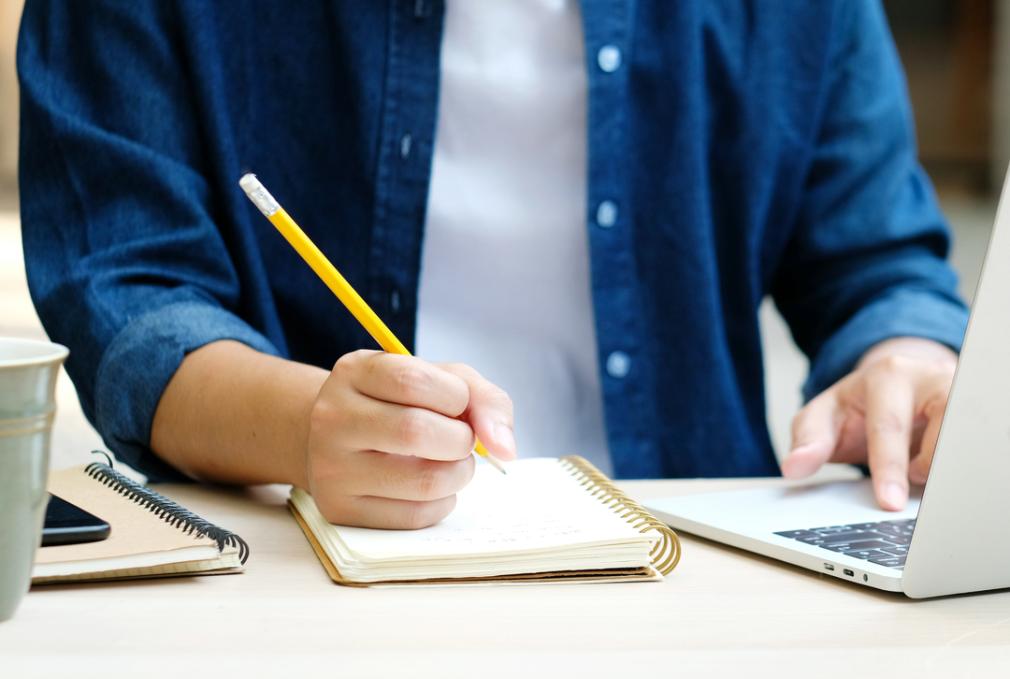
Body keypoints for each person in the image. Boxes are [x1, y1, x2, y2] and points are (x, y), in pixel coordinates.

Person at [18, 1, 967, 529]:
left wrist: (908, 360)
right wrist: (307, 428)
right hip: (311, 563)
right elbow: (129, 298)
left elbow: (878, 260)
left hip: (693, 564)